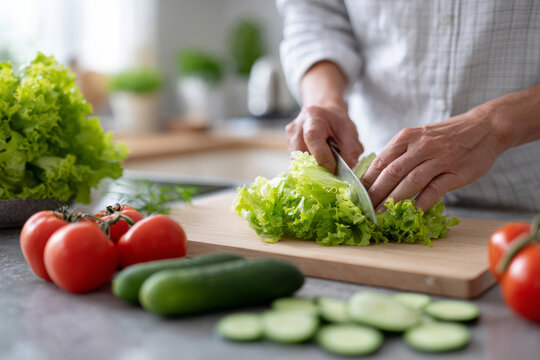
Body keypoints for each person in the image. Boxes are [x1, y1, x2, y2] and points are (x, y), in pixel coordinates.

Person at [277, 0, 540, 212]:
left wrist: (494, 125)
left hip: (527, 202)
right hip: (381, 192)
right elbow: (314, 17)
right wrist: (325, 100)